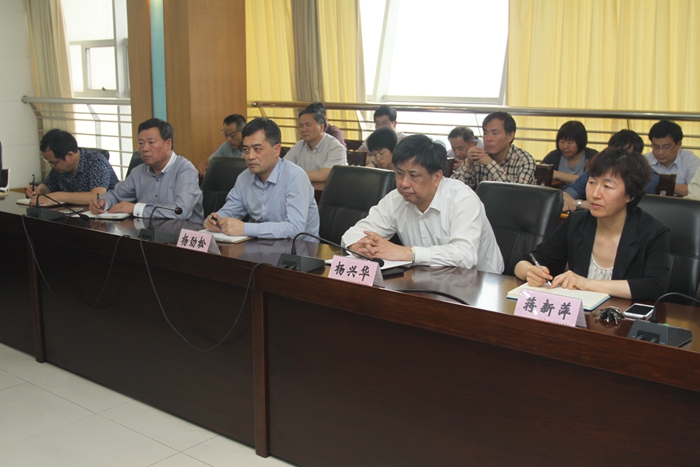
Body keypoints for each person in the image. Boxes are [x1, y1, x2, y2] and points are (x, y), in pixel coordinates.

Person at [514, 147, 670, 301]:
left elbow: (655, 286)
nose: (595, 194)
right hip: (582, 314)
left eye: (607, 187)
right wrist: (530, 272)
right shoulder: (577, 223)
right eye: (592, 182)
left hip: (623, 314)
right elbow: (523, 263)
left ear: (630, 195)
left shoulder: (653, 232)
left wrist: (587, 284)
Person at [342, 134, 503, 272]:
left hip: (482, 282)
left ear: (437, 177)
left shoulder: (462, 199)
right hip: (427, 278)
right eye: (399, 174)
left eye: (414, 175)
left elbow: (466, 256)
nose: (404, 183)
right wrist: (359, 246)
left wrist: (407, 253)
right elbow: (355, 232)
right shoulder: (396, 199)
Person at [202, 117, 319, 239]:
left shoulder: (295, 177)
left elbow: (295, 228)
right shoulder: (244, 178)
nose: (250, 156)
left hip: (300, 248)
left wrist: (245, 228)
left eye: (257, 149)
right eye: (246, 150)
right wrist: (215, 220)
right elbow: (229, 211)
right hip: (262, 245)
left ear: (276, 150)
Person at [90, 118, 204, 223]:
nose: (144, 148)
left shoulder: (185, 170)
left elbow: (180, 211)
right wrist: (103, 203)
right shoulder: (138, 171)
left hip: (182, 234)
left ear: (168, 144)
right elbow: (115, 195)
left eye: (151, 142)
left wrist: (136, 209)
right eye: (141, 143)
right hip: (148, 232)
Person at [562, 130, 658, 212]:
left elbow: (625, 206)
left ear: (636, 157)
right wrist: (568, 199)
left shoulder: (649, 175)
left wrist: (579, 203)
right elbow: (567, 193)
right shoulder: (598, 170)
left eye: (607, 186)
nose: (596, 194)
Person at [25, 129, 118, 205]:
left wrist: (56, 196)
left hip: (107, 216)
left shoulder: (96, 162)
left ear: (70, 155)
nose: (52, 166)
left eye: (54, 162)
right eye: (49, 162)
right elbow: (49, 186)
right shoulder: (59, 167)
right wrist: (38, 190)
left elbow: (97, 196)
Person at [451, 111, 535, 189]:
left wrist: (490, 164)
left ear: (510, 136)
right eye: (485, 133)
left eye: (494, 133)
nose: (488, 139)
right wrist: (467, 163)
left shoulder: (525, 161)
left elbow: (517, 193)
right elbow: (452, 188)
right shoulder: (479, 156)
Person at [284, 109, 347, 182]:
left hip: (330, 189)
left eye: (308, 125)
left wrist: (293, 174)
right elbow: (283, 168)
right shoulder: (299, 146)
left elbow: (322, 176)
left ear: (321, 127)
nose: (304, 130)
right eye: (301, 126)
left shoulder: (335, 148)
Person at [643, 120, 700, 197]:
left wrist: (657, 183)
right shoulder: (644, 161)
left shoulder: (691, 161)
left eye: (666, 147)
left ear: (679, 144)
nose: (660, 152)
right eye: (656, 147)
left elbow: (695, 191)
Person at [541, 121, 598, 186]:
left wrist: (557, 174)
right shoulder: (554, 156)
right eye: (562, 142)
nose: (565, 146)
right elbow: (539, 173)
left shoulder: (593, 157)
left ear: (580, 141)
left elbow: (590, 180)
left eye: (570, 142)